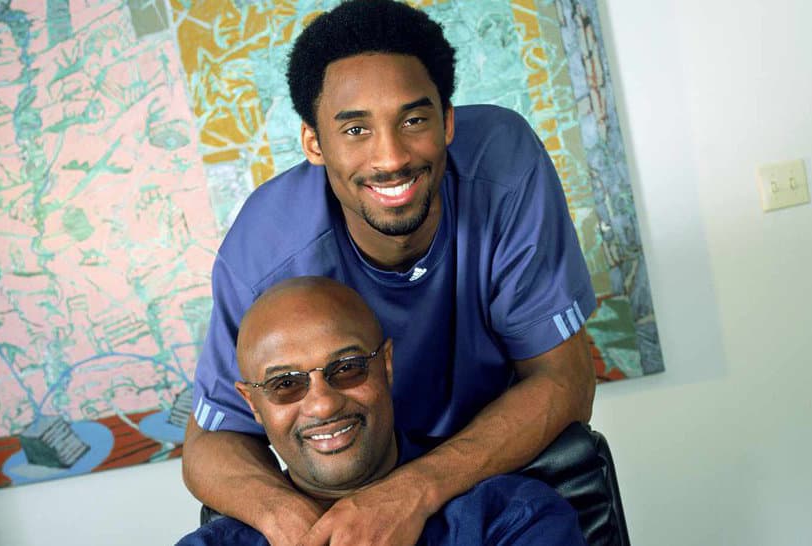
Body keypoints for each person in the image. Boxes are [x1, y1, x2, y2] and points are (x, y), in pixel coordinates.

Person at [182, 1, 597, 544]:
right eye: (356, 129)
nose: (391, 157)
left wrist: (411, 492)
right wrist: (302, 527)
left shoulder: (504, 163)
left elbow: (564, 380)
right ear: (313, 142)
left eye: (414, 120)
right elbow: (210, 445)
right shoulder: (263, 250)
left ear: (447, 122)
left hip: (485, 491)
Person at [177, 277, 586, 546]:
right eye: (286, 384)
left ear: (386, 366)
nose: (322, 403)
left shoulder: (513, 519)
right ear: (253, 404)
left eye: (347, 368)